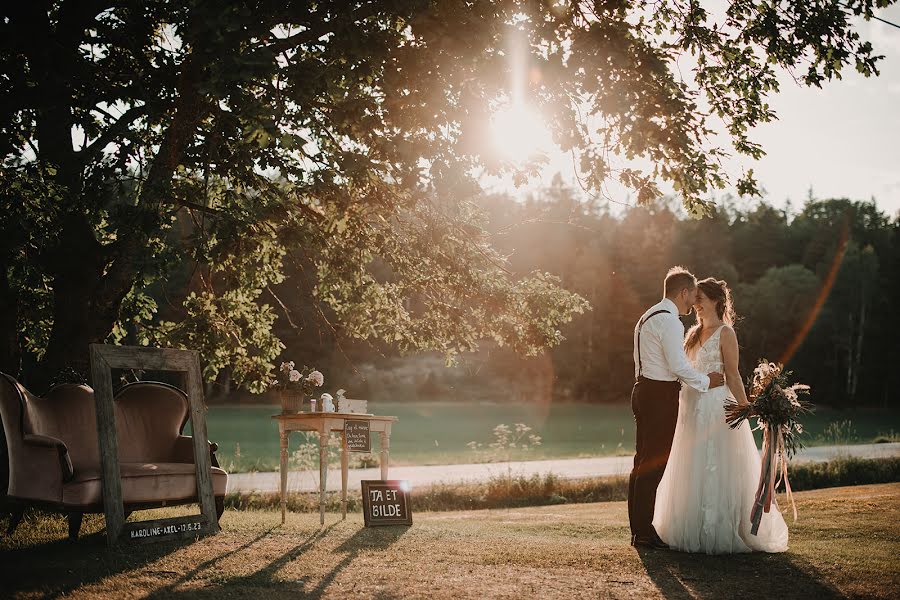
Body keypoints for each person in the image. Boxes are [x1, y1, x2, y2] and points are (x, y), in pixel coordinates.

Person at [653, 277, 789, 554]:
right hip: (691, 406)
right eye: (694, 299)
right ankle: (690, 526)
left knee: (717, 463)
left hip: (717, 407)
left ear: (716, 300)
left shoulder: (726, 333)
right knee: (691, 464)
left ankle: (721, 528)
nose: (695, 305)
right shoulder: (691, 333)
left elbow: (734, 374)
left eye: (700, 299)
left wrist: (745, 407)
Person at [629, 267, 725, 549]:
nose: (693, 303)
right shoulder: (670, 321)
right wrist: (707, 380)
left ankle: (639, 531)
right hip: (659, 395)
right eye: (692, 296)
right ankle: (644, 533)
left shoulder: (646, 316)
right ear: (682, 292)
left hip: (642, 389)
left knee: (641, 462)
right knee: (653, 464)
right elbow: (678, 366)